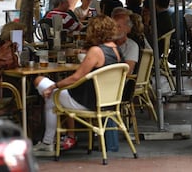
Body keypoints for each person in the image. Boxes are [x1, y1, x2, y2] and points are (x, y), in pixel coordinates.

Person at [32, 15, 125, 155]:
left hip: (87, 101)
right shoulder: (116, 50)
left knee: (41, 82)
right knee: (50, 98)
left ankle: (48, 143)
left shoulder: (96, 51)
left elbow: (76, 77)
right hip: (108, 102)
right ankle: (49, 142)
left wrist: (54, 86)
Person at [111, 7, 139, 74]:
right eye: (112, 26)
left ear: (128, 29)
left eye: (118, 26)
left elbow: (127, 71)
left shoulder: (132, 46)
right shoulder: (108, 42)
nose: (114, 29)